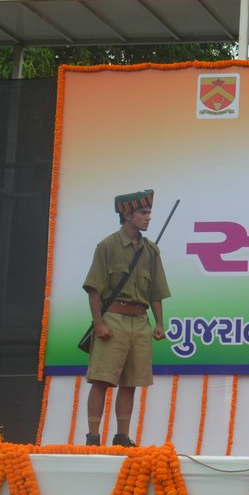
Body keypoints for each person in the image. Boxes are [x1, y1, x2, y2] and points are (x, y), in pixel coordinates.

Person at [81, 190, 170, 447]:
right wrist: (99, 324)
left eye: (149, 212)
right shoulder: (107, 247)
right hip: (113, 318)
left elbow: (156, 292)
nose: (148, 217)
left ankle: (122, 436)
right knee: (101, 380)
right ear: (127, 214)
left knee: (131, 382)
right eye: (143, 212)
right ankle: (93, 436)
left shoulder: (151, 250)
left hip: (140, 321)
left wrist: (159, 323)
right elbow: (94, 290)